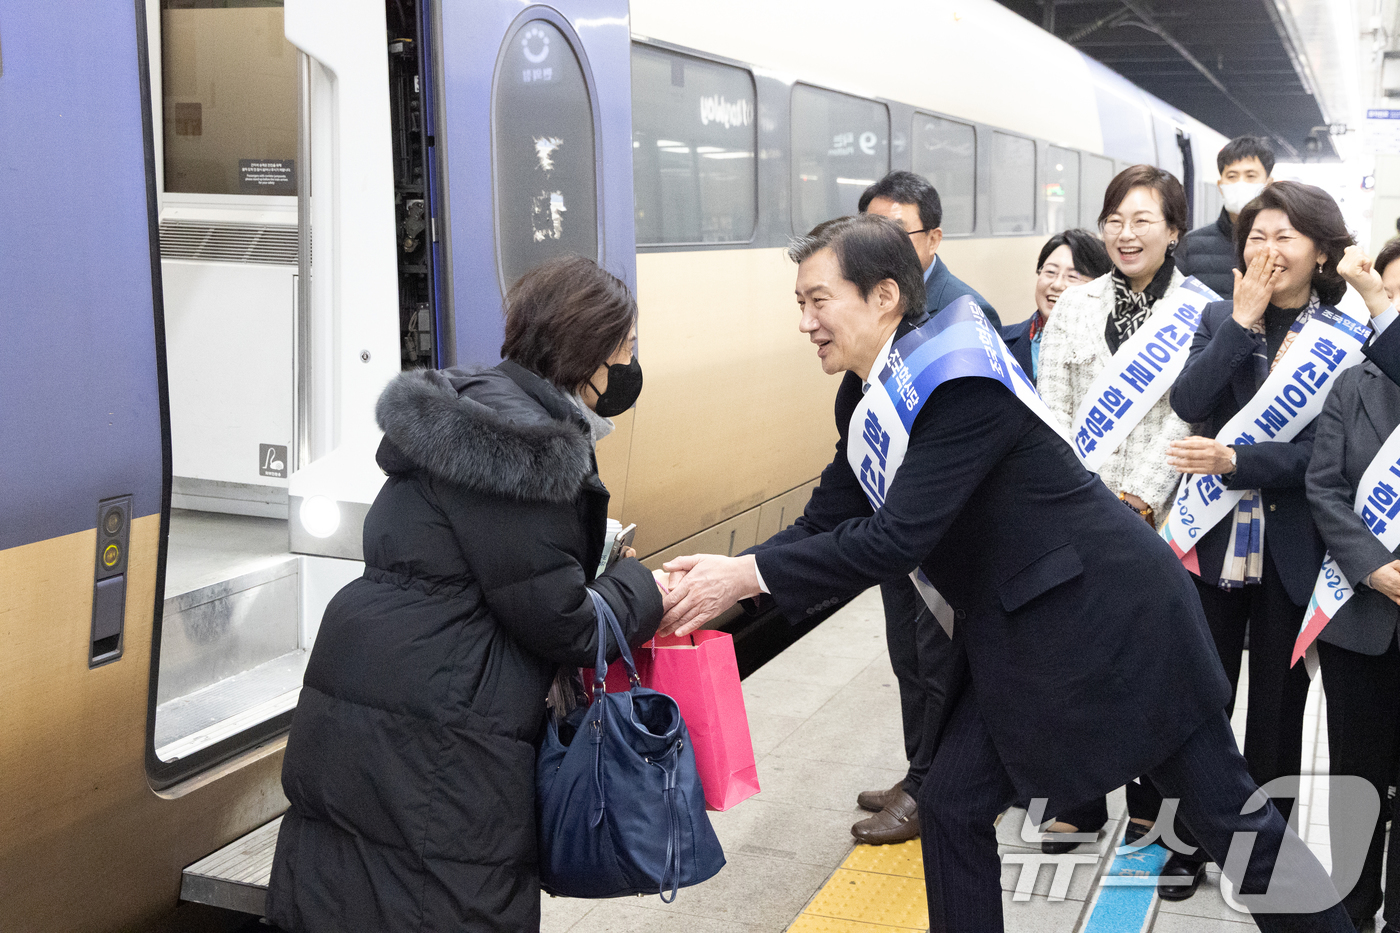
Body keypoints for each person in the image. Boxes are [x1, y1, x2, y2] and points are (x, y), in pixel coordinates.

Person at [655, 212, 1353, 933]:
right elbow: (826, 519)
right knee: (953, 802)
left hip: (1114, 619)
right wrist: (713, 580)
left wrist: (745, 578)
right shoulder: (868, 394)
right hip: (1024, 631)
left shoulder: (955, 382)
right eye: (800, 304)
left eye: (817, 300)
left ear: (885, 295)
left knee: (1233, 825)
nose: (805, 321)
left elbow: (895, 539)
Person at [266, 256, 664, 933]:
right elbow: (563, 621)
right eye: (626, 348)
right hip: (446, 732)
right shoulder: (530, 450)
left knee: (346, 891)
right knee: (445, 900)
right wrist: (641, 584)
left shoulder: (469, 404)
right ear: (590, 351)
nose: (631, 365)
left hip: (372, 693)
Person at [1165, 181, 1365, 904]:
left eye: (1285, 236)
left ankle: (1261, 855)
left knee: (1276, 712)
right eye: (1256, 235)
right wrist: (1241, 323)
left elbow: (1331, 454)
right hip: (1210, 541)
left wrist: (1238, 461)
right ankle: (1188, 841)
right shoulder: (1222, 314)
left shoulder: (1346, 335)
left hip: (1290, 547)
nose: (1267, 250)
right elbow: (1190, 402)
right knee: (1198, 699)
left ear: (1320, 249)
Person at [1034, 165, 1202, 859]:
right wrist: (1077, 497)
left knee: (1145, 662)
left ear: (1173, 230)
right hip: (1078, 506)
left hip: (1154, 514)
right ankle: (1077, 797)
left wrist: (1141, 499)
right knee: (1074, 655)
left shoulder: (1202, 309)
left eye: (1142, 221)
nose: (1126, 234)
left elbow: (1189, 414)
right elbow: (1053, 407)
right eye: (1115, 220)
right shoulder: (1075, 304)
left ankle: (1148, 802)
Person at [845, 169, 1002, 844]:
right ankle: (919, 770)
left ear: (934, 237)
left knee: (940, 660)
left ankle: (933, 785)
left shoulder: (964, 312)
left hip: (940, 529)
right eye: (867, 233)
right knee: (907, 653)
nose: (878, 247)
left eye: (896, 234)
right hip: (895, 514)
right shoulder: (877, 303)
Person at [1306, 244, 1400, 931]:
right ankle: (1352, 900)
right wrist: (1371, 564)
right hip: (1360, 614)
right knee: (1355, 777)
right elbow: (1325, 487)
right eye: (1388, 293)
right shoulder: (1351, 383)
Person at [859, 170, 1002, 330]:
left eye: (898, 233)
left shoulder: (968, 314)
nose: (883, 245)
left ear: (933, 240)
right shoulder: (857, 298)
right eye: (872, 233)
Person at [1002, 229, 1111, 384]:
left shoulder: (1110, 355)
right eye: (1050, 272)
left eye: (1073, 276)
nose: (1057, 284)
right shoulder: (999, 342)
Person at [1176, 136, 1275, 296]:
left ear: (1268, 185)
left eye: (1250, 176)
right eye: (1232, 176)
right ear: (1220, 186)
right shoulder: (1190, 245)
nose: (1240, 184)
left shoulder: (1282, 245)